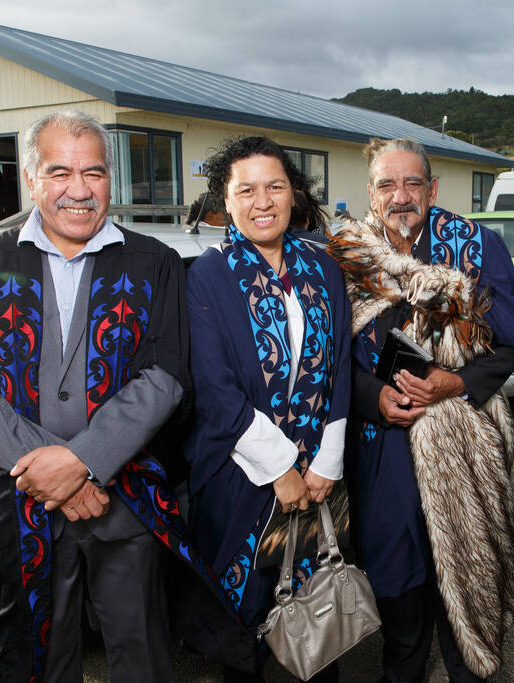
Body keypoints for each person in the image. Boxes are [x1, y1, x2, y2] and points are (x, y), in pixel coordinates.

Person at [0, 110, 194, 682]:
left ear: (110, 180)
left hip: (125, 499)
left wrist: (83, 462)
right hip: (19, 498)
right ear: (31, 179)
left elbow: (166, 376)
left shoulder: (153, 263)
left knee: (142, 652)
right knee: (33, 654)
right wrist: (49, 471)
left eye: (94, 173)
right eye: (60, 172)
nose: (79, 190)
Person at [327, 137, 514, 682]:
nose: (400, 196)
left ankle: (471, 666)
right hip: (381, 448)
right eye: (386, 185)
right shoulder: (345, 256)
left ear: (433, 189)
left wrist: (458, 382)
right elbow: (325, 361)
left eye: (412, 183)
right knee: (397, 581)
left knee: (468, 574)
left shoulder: (474, 246)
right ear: (370, 193)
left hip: (461, 441)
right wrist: (371, 397)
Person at [180, 136, 351, 682]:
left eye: (275, 187)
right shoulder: (208, 275)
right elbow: (214, 387)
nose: (262, 202)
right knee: (248, 626)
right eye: (246, 190)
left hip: (319, 478)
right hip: (241, 479)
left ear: (293, 194)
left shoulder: (322, 268)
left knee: (319, 623)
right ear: (224, 201)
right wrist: (280, 469)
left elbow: (341, 366)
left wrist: (326, 461)